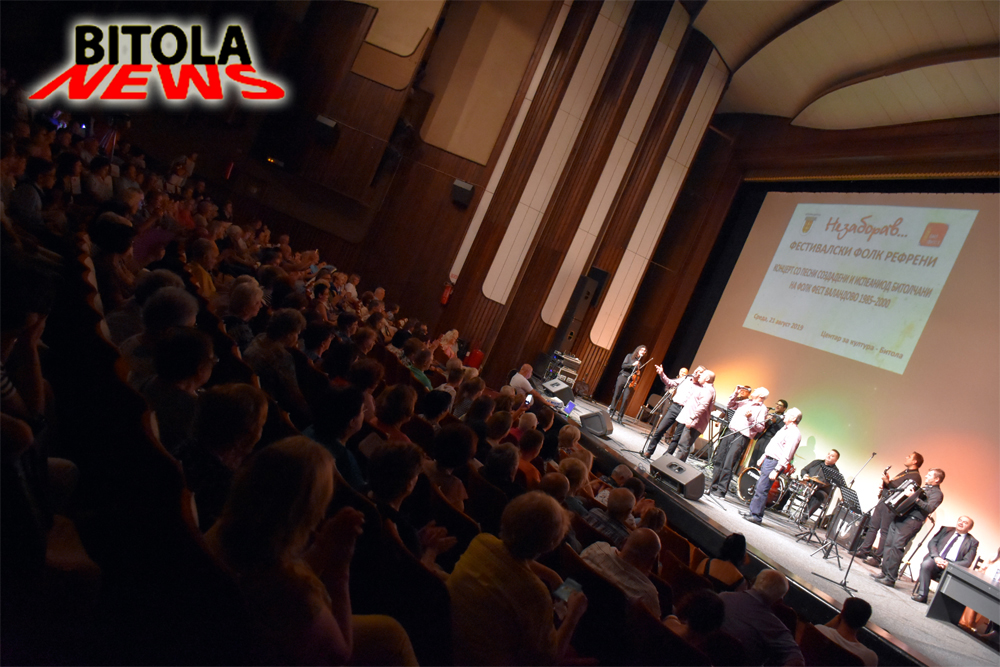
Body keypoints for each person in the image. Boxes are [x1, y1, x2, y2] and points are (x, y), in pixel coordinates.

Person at [204, 437, 363, 665]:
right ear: (306, 513)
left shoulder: (223, 530)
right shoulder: (293, 593)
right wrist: (339, 571)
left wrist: (322, 548)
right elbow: (340, 655)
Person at [448, 492, 588, 665]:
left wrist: (552, 576)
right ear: (552, 544)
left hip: (450, 641)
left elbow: (511, 560)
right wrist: (574, 614)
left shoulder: (483, 541)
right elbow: (549, 659)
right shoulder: (536, 593)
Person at [872, 468, 945, 588]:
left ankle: (891, 578)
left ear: (937, 479)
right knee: (889, 544)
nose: (926, 476)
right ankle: (884, 572)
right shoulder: (924, 488)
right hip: (901, 516)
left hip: (912, 521)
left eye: (929, 475)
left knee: (897, 547)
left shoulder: (937, 494)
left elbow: (929, 508)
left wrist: (914, 498)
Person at [719, 569, 804, 666]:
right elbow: (797, 660)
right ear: (779, 601)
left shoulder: (722, 597)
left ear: (753, 582)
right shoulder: (772, 626)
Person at [854, 451, 923, 563]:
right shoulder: (906, 472)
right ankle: (864, 550)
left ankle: (877, 558)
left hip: (891, 506)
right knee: (873, 526)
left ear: (915, 461)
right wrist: (886, 483)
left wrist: (888, 482)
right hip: (884, 500)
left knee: (884, 532)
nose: (906, 457)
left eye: (909, 457)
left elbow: (901, 491)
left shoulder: (915, 476)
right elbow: (894, 486)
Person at [581, 528, 662, 618]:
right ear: (651, 562)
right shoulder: (647, 595)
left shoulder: (596, 549)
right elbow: (651, 625)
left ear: (624, 542)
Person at [742, 408, 802, 525]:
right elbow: (773, 445)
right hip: (769, 459)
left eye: (788, 414)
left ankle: (756, 516)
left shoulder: (794, 433)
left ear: (794, 418)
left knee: (762, 488)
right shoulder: (784, 429)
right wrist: (763, 457)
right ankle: (752, 512)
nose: (785, 414)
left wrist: (777, 469)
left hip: (775, 463)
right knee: (759, 487)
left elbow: (787, 454)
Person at [709, 386, 768, 498]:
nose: (754, 390)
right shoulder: (746, 402)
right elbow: (730, 405)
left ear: (761, 395)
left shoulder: (762, 409)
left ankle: (721, 490)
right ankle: (713, 486)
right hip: (730, 432)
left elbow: (760, 427)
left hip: (741, 436)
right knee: (719, 459)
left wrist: (750, 418)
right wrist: (735, 393)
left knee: (728, 463)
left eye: (756, 390)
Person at [912, 515, 978, 603]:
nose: (961, 523)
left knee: (954, 577)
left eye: (965, 523)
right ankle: (922, 595)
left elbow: (967, 561)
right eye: (960, 520)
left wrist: (949, 564)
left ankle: (940, 604)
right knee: (926, 564)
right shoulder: (946, 529)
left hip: (952, 565)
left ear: (970, 528)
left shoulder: (972, 542)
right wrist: (936, 557)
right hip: (937, 558)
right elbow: (932, 543)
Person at [640, 365, 703, 459]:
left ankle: (664, 459)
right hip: (675, 407)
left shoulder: (701, 388)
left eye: (700, 372)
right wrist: (662, 373)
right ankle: (649, 451)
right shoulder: (685, 378)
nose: (697, 372)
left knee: (676, 438)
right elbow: (670, 382)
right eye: (697, 370)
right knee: (660, 429)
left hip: (686, 411)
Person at [670, 369, 716, 462]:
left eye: (702, 374)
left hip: (695, 423)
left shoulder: (708, 390)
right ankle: (675, 466)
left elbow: (703, 406)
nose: (700, 376)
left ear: (707, 378)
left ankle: (673, 467)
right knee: (684, 446)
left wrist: (691, 418)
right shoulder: (706, 389)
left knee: (683, 446)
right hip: (694, 421)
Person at [817, 598, 879, 666]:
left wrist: (828, 625)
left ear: (841, 614)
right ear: (864, 623)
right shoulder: (869, 657)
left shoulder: (820, 631)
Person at [796, 449, 842, 519]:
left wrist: (813, 485)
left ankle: (804, 518)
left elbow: (825, 483)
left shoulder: (835, 471)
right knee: (794, 485)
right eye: (828, 454)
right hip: (808, 485)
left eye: (832, 456)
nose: (829, 456)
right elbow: (804, 470)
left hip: (821, 490)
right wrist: (804, 475)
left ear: (836, 460)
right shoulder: (817, 462)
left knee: (817, 496)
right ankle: (780, 507)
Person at [609, 345, 645, 423]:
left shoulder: (639, 363)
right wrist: (632, 365)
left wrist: (638, 371)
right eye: (642, 350)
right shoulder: (629, 356)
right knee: (616, 395)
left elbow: (637, 374)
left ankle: (620, 417)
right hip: (623, 377)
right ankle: (611, 412)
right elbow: (623, 366)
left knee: (625, 399)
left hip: (630, 381)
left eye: (644, 351)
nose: (643, 352)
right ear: (638, 350)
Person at [748, 399, 788, 464]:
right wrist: (765, 419)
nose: (777, 406)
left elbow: (781, 430)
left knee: (760, 458)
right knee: (754, 456)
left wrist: (775, 422)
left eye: (780, 405)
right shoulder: (771, 415)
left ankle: (756, 469)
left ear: (784, 408)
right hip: (762, 437)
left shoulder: (784, 419)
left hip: (770, 440)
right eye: (777, 404)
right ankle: (749, 469)